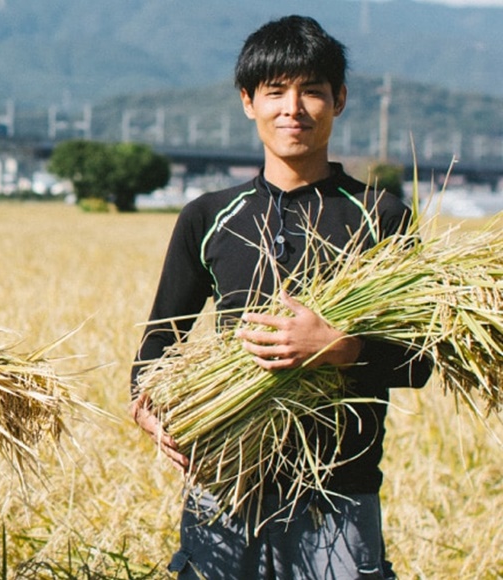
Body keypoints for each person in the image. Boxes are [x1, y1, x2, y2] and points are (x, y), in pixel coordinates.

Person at [129, 16, 431, 580]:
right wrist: (151, 411)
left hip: (339, 493)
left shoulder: (381, 215)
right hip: (226, 483)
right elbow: (154, 353)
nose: (293, 108)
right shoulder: (207, 217)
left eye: (312, 91)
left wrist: (339, 347)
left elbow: (419, 362)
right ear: (248, 102)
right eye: (275, 92)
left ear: (338, 100)